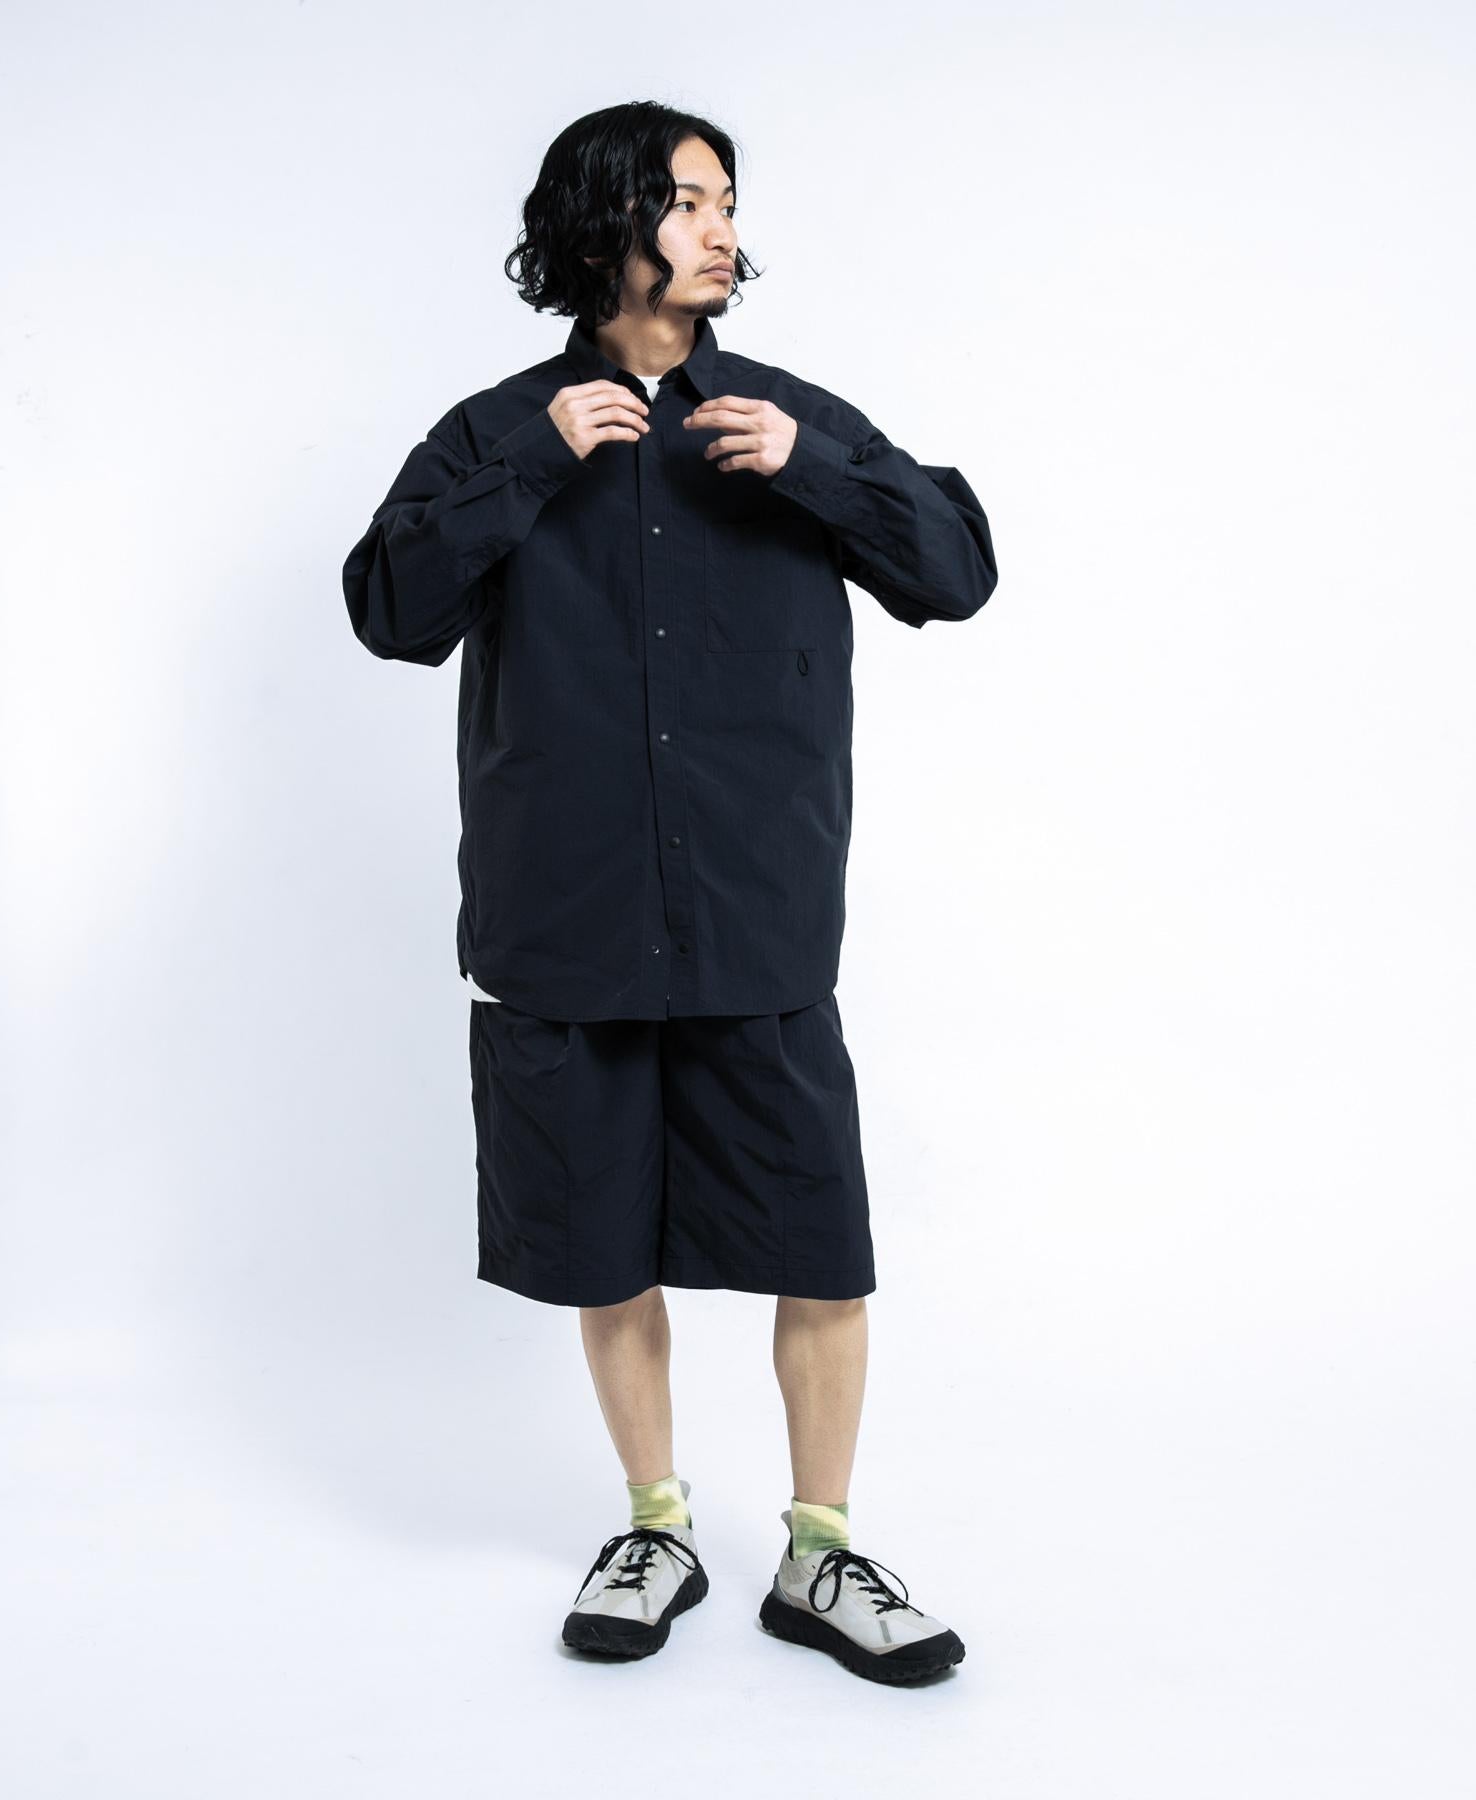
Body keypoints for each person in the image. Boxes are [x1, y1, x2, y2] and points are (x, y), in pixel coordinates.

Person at [342, 101, 998, 1684]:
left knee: (820, 1245)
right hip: (566, 920)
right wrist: (531, 462)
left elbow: (957, 572)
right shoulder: (498, 429)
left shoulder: (784, 419)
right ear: (604, 225)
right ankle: (656, 1525)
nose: (723, 231)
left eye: (727, 203)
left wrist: (819, 472)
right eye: (690, 202)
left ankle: (822, 1553)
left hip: (756, 921)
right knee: (601, 1243)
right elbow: (389, 609)